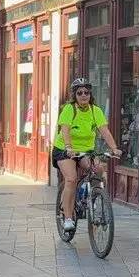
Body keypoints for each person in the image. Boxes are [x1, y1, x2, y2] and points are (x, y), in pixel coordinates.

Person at [52, 77, 122, 233]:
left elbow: (104, 131)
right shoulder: (70, 109)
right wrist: (69, 147)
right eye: (79, 93)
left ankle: (97, 201)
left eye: (86, 93)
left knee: (99, 169)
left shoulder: (95, 110)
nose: (83, 95)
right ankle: (68, 218)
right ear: (74, 96)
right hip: (65, 149)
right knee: (71, 178)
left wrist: (114, 148)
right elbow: (65, 129)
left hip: (86, 150)